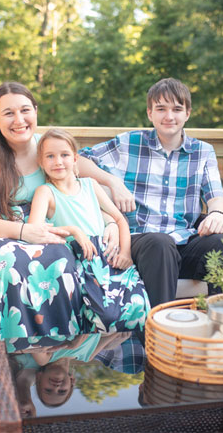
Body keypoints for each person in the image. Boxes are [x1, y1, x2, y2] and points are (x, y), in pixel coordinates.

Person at [0, 81, 126, 408]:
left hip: (43, 237)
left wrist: (112, 208)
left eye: (25, 110)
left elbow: (87, 176)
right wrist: (21, 232)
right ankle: (1, 380)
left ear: (36, 112)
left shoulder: (48, 148)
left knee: (59, 260)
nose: (18, 119)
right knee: (9, 264)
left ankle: (49, 357)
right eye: (8, 113)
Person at [80, 78, 223, 308]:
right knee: (160, 243)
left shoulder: (202, 151)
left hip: (184, 241)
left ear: (187, 113)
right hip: (142, 242)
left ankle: (221, 327)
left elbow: (216, 196)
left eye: (177, 109)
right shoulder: (129, 143)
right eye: (161, 109)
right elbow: (77, 161)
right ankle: (160, 337)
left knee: (222, 243)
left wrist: (217, 213)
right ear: (150, 113)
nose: (169, 116)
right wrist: (113, 182)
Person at [30, 128, 150, 333]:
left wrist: (126, 253)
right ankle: (77, 352)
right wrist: (74, 231)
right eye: (50, 156)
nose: (58, 161)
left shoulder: (90, 185)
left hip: (108, 257)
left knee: (139, 310)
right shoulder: (45, 192)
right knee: (107, 316)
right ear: (41, 162)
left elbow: (120, 219)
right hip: (79, 260)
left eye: (64, 155)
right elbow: (34, 230)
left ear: (75, 158)